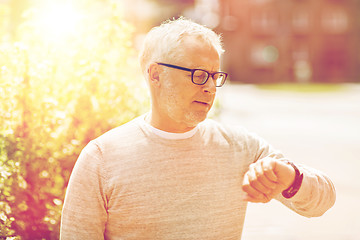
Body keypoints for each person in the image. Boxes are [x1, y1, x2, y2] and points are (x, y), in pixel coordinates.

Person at [60, 17, 336, 239]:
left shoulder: (241, 148)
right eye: (198, 74)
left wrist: (290, 177)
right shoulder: (100, 159)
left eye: (215, 76)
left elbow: (323, 201)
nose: (208, 88)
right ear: (156, 75)